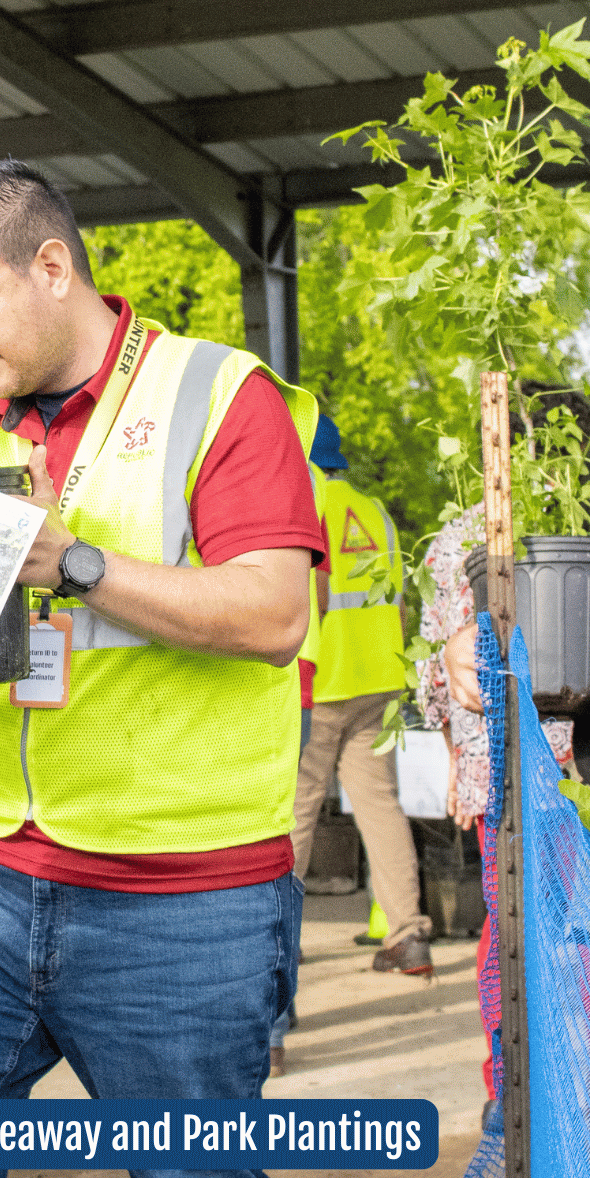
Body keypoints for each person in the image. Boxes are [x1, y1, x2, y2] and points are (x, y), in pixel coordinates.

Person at [0, 159, 324, 1178]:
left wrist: (72, 562)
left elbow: (274, 616)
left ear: (53, 267)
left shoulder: (219, 395)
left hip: (185, 898)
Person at [417, 502, 573, 1106]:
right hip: (554, 762)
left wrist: (460, 764)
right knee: (556, 929)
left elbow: (436, 675)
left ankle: (506, 1089)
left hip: (502, 766)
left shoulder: (452, 537)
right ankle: (549, 1088)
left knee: (511, 924)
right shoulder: (562, 508)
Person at [290, 416, 434, 975]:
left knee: (297, 811)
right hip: (379, 682)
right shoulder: (375, 513)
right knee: (379, 807)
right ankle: (408, 936)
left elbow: (314, 593)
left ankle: (278, 939)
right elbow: (399, 602)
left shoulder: (309, 502)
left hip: (324, 681)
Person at [269, 458, 330, 1076]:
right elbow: (322, 592)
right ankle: (273, 1023)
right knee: (274, 846)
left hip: (240, 685)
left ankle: (268, 1026)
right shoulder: (305, 480)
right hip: (298, 680)